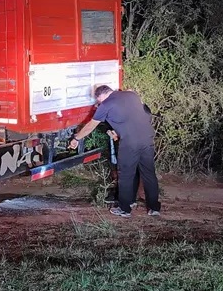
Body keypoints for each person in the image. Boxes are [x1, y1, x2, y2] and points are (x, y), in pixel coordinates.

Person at [69, 85, 161, 217]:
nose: (99, 103)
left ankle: (125, 208)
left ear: (100, 96)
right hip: (148, 139)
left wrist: (76, 138)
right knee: (149, 174)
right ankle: (154, 208)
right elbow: (144, 113)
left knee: (125, 175)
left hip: (130, 143)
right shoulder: (132, 95)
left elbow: (90, 126)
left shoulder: (106, 105)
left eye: (98, 101)